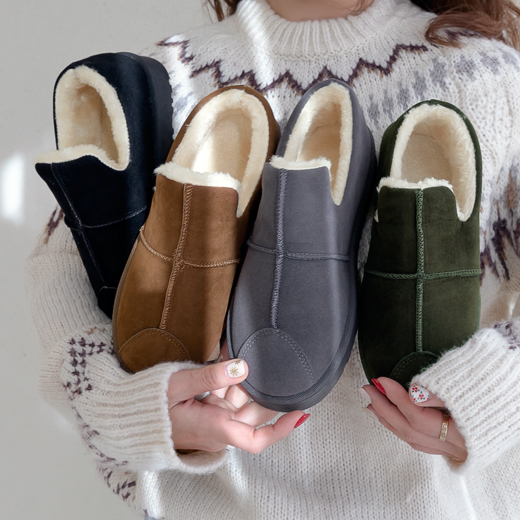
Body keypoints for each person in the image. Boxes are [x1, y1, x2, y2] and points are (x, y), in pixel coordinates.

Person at [27, 0, 520, 518]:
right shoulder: (168, 76)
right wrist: (131, 409)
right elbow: (62, 281)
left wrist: (496, 396)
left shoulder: (485, 77)